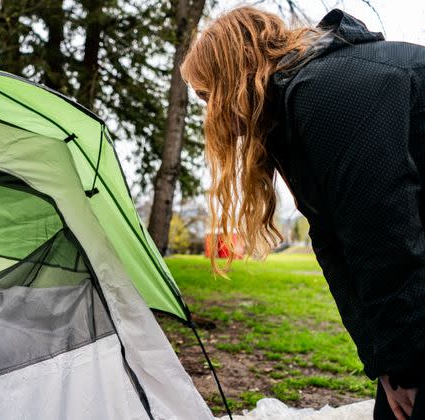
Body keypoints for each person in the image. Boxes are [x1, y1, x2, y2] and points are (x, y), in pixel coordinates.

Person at [181, 6, 425, 420]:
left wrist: (407, 366)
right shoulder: (296, 107)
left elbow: (384, 237)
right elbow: (333, 243)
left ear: (234, 72)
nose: (210, 115)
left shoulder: (328, 93)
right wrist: (385, 365)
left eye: (208, 97)